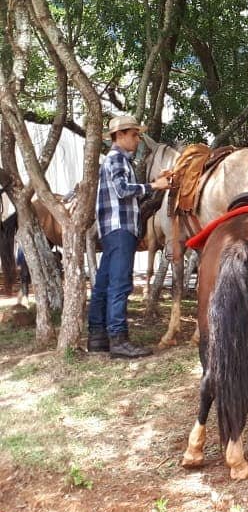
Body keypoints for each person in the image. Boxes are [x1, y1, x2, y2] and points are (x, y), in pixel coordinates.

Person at [87, 114, 172, 358]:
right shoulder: (116, 159)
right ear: (120, 135)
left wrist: (155, 182)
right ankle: (119, 340)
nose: (137, 139)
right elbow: (123, 190)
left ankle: (97, 337)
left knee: (104, 283)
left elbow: (126, 191)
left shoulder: (115, 160)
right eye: (134, 135)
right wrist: (153, 186)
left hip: (112, 230)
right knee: (120, 283)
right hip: (120, 229)